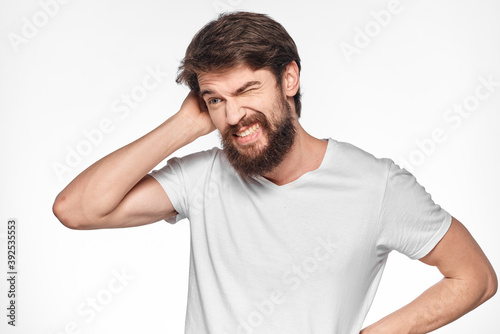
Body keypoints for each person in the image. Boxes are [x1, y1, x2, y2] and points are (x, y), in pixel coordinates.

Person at [53, 11, 497, 334]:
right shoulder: (202, 177)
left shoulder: (374, 185)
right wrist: (185, 124)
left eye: (247, 89)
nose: (234, 115)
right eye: (215, 100)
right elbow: (76, 209)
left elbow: (474, 277)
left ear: (289, 80)